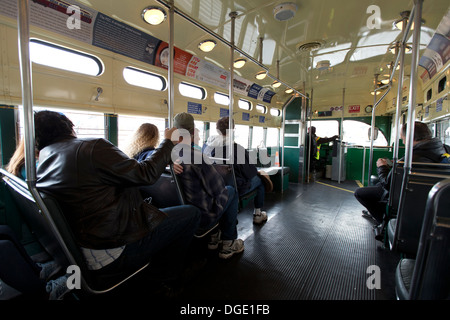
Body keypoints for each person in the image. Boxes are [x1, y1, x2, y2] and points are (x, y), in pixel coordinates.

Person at [34, 110, 201, 295]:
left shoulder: (44, 158)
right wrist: (168, 142)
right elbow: (145, 174)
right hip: (113, 249)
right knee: (191, 213)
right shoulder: (92, 147)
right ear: (70, 128)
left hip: (82, 244)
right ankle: (164, 279)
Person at [354, 121, 447, 238]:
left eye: (403, 138)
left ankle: (383, 223)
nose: (402, 141)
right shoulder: (442, 149)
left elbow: (389, 185)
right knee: (376, 183)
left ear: (409, 137)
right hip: (434, 196)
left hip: (407, 195)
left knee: (360, 193)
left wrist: (382, 168)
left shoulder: (411, 159)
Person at [172, 112, 244, 259]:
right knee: (230, 191)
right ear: (192, 133)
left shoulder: (167, 156)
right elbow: (218, 190)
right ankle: (228, 241)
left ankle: (215, 235)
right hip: (203, 215)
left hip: (179, 209)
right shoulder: (197, 157)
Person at [204, 116, 270, 224]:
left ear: (217, 130)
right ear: (233, 130)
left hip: (214, 186)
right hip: (236, 186)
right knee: (260, 181)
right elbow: (249, 172)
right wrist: (255, 171)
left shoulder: (207, 147)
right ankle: (258, 214)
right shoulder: (237, 149)